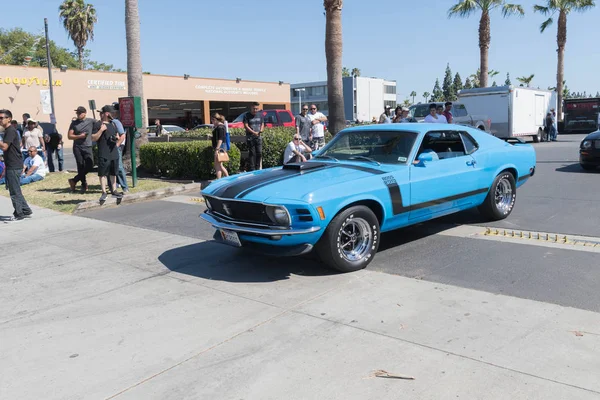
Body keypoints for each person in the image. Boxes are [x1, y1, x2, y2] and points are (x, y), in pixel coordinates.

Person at [0, 109, 33, 221]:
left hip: (14, 165)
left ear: (9, 118)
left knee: (14, 191)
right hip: (12, 164)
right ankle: (26, 209)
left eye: (1, 118)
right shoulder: (8, 130)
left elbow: (4, 147)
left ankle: (19, 213)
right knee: (16, 189)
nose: (0, 120)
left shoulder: (10, 131)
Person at [90, 105, 123, 202]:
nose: (113, 114)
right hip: (103, 152)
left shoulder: (113, 124)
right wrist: (101, 130)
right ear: (106, 114)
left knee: (113, 173)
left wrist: (116, 139)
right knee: (103, 174)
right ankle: (104, 192)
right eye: (111, 113)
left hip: (113, 152)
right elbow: (93, 138)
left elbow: (117, 135)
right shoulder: (97, 124)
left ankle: (114, 190)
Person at [68, 106, 95, 193]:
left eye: (80, 113)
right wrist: (80, 136)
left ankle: (74, 180)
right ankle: (83, 184)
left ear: (84, 113)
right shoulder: (74, 123)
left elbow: (101, 124)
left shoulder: (91, 121)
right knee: (80, 165)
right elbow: (69, 136)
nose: (78, 114)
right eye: (77, 113)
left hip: (88, 146)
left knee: (90, 165)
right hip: (77, 147)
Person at [111, 103, 129, 193]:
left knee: (119, 165)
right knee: (114, 165)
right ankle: (116, 183)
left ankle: (124, 186)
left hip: (119, 144)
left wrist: (117, 144)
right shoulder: (113, 120)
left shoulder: (119, 121)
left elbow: (122, 135)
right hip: (115, 144)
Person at [243, 102, 264, 171]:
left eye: (257, 109)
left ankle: (258, 167)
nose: (255, 110)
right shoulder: (246, 115)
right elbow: (246, 126)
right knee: (252, 153)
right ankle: (252, 168)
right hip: (250, 137)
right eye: (254, 109)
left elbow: (262, 124)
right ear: (251, 107)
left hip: (258, 136)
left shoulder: (260, 115)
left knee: (259, 152)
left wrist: (261, 130)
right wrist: (253, 132)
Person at [211, 113, 229, 179]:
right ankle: (227, 177)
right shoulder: (221, 127)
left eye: (212, 121)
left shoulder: (220, 127)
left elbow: (220, 139)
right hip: (221, 146)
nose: (212, 122)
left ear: (215, 120)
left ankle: (219, 180)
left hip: (220, 146)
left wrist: (217, 149)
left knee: (217, 165)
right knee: (220, 165)